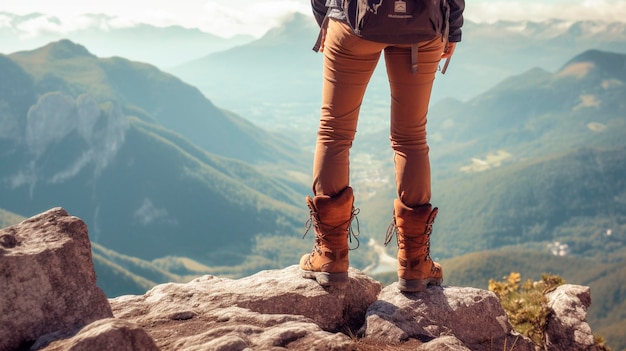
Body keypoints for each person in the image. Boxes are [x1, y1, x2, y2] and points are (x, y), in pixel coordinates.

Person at [299, 0, 465, 292]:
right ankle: (414, 263)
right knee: (411, 138)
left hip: (351, 21)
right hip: (423, 24)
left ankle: (330, 255)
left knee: (334, 132)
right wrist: (453, 26)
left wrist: (327, 17)